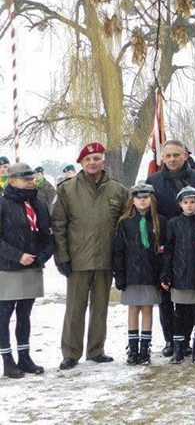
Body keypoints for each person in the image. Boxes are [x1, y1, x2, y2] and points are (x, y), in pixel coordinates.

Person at [52, 142, 128, 371]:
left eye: (96, 158)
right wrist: (62, 257)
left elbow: (125, 226)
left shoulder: (118, 190)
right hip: (77, 259)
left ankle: (96, 350)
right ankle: (71, 353)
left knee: (101, 306)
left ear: (103, 161)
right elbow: (58, 225)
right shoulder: (66, 189)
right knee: (75, 308)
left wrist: (120, 259)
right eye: (88, 159)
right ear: (81, 163)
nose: (92, 163)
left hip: (106, 259)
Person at [145, 140, 195, 356]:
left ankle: (187, 339)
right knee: (166, 296)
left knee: (190, 298)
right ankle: (171, 340)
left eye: (177, 155)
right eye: (168, 156)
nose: (172, 159)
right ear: (163, 158)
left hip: (194, 247)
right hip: (166, 247)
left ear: (185, 155)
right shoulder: (154, 180)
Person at [0, 163, 54, 379]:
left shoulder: (38, 204)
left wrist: (41, 256)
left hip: (32, 268)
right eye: (25, 178)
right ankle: (7, 360)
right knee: (4, 316)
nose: (31, 181)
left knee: (25, 315)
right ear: (12, 181)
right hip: (8, 269)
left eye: (31, 178)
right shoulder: (3, 205)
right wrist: (17, 255)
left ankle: (25, 356)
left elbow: (48, 236)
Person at [160, 186, 195, 364]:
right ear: (180, 204)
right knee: (179, 313)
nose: (189, 205)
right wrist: (166, 273)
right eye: (186, 202)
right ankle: (179, 348)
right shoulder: (173, 224)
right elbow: (167, 251)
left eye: (193, 202)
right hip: (179, 276)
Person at [112, 184, 166, 366]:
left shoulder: (159, 221)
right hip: (131, 272)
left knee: (148, 308)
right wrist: (119, 274)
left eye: (145, 197)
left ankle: (145, 348)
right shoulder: (125, 222)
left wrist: (162, 273)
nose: (142, 200)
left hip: (151, 272)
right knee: (133, 308)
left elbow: (164, 250)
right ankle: (133, 348)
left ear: (152, 199)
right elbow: (118, 251)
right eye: (138, 197)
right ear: (132, 201)